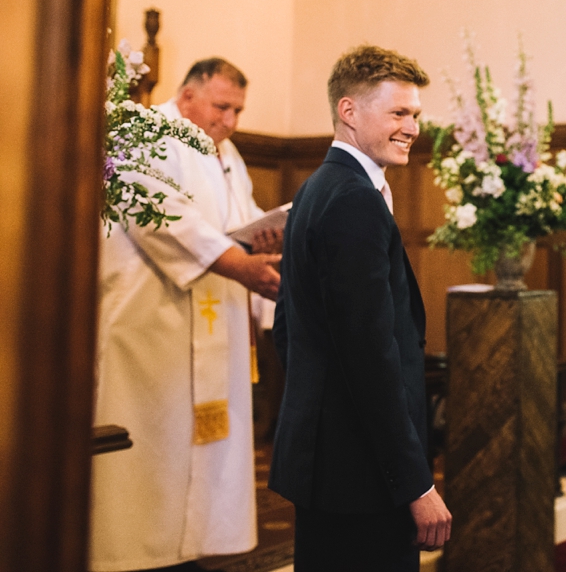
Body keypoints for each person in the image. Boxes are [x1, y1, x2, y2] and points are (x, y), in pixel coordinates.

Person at [91, 58, 282, 571]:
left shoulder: (228, 155)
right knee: (152, 439)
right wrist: (237, 262)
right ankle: (130, 551)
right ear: (187, 94)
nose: (230, 121)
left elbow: (238, 221)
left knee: (200, 447)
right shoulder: (140, 134)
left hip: (213, 314)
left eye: (238, 110)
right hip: (153, 321)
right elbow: (162, 217)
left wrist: (258, 241)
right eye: (222, 106)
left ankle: (191, 545)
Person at [269, 45, 451, 571]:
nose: (413, 127)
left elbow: (290, 327)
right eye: (399, 113)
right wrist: (414, 483)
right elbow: (370, 359)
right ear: (349, 111)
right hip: (361, 474)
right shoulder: (353, 200)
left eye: (415, 114)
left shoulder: (315, 189)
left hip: (330, 462)